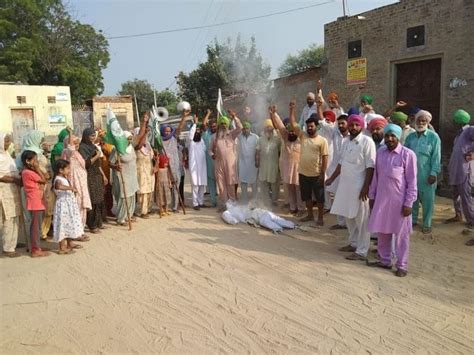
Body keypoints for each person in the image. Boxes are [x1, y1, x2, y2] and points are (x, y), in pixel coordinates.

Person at [367, 124, 418, 277]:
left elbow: (412, 181)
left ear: (398, 137)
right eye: (387, 136)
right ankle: (385, 261)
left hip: (400, 203)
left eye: (393, 136)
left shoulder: (408, 155)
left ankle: (402, 265)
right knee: (383, 231)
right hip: (382, 200)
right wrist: (372, 196)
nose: (389, 139)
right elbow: (376, 177)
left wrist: (409, 203)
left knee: (401, 235)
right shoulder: (381, 153)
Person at [326, 114, 376, 261]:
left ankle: (362, 251)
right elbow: (341, 163)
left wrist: (366, 187)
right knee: (348, 216)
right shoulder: (346, 141)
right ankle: (353, 243)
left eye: (357, 125)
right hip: (345, 185)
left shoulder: (367, 142)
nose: (354, 127)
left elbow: (370, 166)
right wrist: (331, 179)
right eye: (352, 125)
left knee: (361, 219)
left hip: (360, 187)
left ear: (362, 126)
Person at [405, 110, 441, 234]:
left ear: (427, 122)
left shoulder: (433, 137)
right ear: (415, 121)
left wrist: (434, 173)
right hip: (411, 175)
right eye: (419, 120)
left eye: (423, 121)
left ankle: (427, 224)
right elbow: (405, 156)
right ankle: (413, 220)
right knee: (413, 199)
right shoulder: (410, 137)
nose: (421, 123)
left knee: (428, 201)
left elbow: (436, 157)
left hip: (427, 175)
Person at [290, 108, 329, 225]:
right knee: (306, 197)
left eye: (312, 126)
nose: (309, 128)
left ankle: (320, 218)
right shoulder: (303, 136)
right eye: (308, 126)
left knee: (320, 198)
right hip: (303, 173)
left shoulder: (322, 141)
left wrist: (322, 173)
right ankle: (310, 215)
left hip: (317, 174)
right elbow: (293, 124)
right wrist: (292, 109)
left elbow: (325, 157)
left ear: (317, 126)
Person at [16, 130, 55, 241]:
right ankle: (35, 242)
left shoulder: (35, 152)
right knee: (35, 216)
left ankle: (37, 238)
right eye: (40, 139)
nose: (42, 141)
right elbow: (42, 175)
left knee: (39, 214)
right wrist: (43, 174)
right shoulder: (31, 155)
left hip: (38, 187)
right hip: (35, 187)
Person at [270, 103, 305, 215]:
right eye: (289, 131)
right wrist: (274, 113)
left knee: (299, 189)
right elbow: (280, 125)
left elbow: (294, 125)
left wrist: (291, 111)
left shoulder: (300, 138)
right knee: (290, 189)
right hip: (288, 168)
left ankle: (301, 208)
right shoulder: (286, 138)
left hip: (299, 169)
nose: (291, 132)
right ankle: (293, 207)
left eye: (293, 131)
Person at [445, 110, 474, 237]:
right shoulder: (459, 134)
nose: (453, 122)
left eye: (454, 120)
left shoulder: (469, 130)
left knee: (466, 195)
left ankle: (472, 220)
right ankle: (458, 215)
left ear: (459, 120)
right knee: (455, 194)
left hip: (465, 169)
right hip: (456, 169)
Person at [61, 128, 91, 239]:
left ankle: (81, 230)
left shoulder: (78, 153)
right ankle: (76, 232)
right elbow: (70, 149)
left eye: (77, 142)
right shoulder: (67, 153)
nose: (76, 144)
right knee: (76, 207)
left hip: (82, 183)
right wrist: (70, 134)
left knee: (83, 207)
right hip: (74, 183)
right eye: (74, 142)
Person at [210, 110, 243, 210]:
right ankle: (224, 205)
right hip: (219, 163)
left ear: (228, 125)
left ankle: (232, 203)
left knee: (230, 182)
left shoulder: (231, 134)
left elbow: (240, 128)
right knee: (221, 184)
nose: (224, 125)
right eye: (222, 124)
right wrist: (212, 155)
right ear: (219, 125)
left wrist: (234, 117)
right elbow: (209, 150)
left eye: (225, 124)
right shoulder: (214, 137)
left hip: (230, 163)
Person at [21, 150, 50, 257]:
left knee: (36, 226)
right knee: (35, 226)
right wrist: (37, 168)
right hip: (35, 201)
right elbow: (44, 180)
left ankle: (36, 246)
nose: (36, 161)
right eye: (34, 159)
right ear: (28, 161)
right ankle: (35, 249)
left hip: (38, 200)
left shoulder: (29, 172)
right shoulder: (27, 172)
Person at [52, 159, 84, 254]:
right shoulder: (58, 179)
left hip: (69, 205)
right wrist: (71, 188)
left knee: (70, 222)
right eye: (67, 168)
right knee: (63, 224)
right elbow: (58, 187)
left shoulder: (64, 178)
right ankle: (62, 247)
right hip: (63, 205)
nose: (69, 170)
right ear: (60, 170)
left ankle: (70, 242)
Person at [79, 128, 107, 233]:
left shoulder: (93, 146)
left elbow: (98, 164)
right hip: (89, 175)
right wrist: (96, 156)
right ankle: (92, 225)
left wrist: (103, 175)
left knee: (99, 199)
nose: (93, 138)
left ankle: (99, 222)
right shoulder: (82, 148)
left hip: (97, 175)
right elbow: (86, 164)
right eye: (91, 136)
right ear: (86, 136)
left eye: (93, 135)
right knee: (92, 200)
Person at [160, 110, 188, 212]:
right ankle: (165, 206)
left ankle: (175, 206)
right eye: (165, 131)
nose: (167, 132)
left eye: (168, 131)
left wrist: (184, 117)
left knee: (176, 186)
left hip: (175, 166)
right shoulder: (159, 140)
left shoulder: (174, 138)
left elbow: (179, 128)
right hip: (165, 168)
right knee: (166, 187)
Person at [326, 114, 350, 230]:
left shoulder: (352, 138)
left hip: (348, 173)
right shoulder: (335, 134)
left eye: (343, 123)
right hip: (335, 171)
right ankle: (341, 223)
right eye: (339, 123)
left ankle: (349, 223)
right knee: (337, 197)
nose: (340, 125)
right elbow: (323, 122)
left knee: (348, 197)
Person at [0, 133, 22, 257]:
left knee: (15, 216)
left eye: (8, 141)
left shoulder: (7, 155)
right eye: (5, 141)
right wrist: (14, 180)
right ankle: (7, 247)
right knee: (8, 218)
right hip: (4, 191)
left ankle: (13, 242)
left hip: (13, 190)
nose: (8, 144)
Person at [110, 131, 139, 226]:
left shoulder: (131, 148)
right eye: (128, 139)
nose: (130, 141)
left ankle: (128, 215)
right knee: (123, 197)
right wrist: (116, 166)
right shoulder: (117, 149)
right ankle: (121, 218)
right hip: (122, 176)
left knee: (131, 196)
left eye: (131, 138)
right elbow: (110, 163)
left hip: (132, 175)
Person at [186, 111, 209, 210]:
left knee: (202, 185)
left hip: (202, 166)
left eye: (199, 131)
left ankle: (201, 202)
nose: (197, 133)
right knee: (195, 186)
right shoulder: (191, 143)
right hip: (194, 167)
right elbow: (191, 135)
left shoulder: (201, 141)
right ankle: (195, 203)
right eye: (196, 131)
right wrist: (195, 123)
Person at [256, 118, 281, 207]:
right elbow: (258, 151)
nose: (268, 128)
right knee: (263, 183)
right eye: (266, 127)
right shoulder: (261, 138)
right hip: (263, 165)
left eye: (270, 127)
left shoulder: (277, 138)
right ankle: (265, 200)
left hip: (274, 164)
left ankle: (274, 200)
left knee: (275, 184)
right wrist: (257, 161)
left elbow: (280, 152)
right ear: (264, 128)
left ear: (273, 128)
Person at [134, 114, 155, 218]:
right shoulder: (136, 146)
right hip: (141, 172)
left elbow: (153, 157)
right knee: (142, 192)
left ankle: (149, 208)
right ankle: (143, 211)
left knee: (150, 190)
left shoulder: (149, 146)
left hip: (149, 172)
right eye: (140, 134)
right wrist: (144, 126)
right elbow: (139, 144)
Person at [237, 121, 259, 203]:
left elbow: (258, 150)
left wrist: (257, 160)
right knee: (243, 182)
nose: (246, 130)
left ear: (250, 129)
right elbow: (236, 128)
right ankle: (244, 200)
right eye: (244, 128)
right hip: (242, 163)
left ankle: (254, 200)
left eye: (247, 128)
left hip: (253, 163)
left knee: (254, 182)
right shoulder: (240, 136)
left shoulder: (255, 137)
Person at [202, 115, 218, 207]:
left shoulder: (220, 134)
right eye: (212, 126)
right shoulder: (207, 134)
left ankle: (224, 200)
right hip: (209, 162)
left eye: (215, 126)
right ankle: (213, 201)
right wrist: (208, 114)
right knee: (211, 182)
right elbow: (204, 125)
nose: (213, 128)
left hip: (219, 162)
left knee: (221, 182)